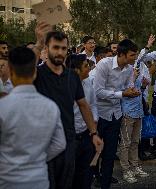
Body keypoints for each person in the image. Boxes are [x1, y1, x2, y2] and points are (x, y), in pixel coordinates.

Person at [32, 22, 102, 189]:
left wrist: (93, 133)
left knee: (67, 183)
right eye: (55, 47)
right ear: (47, 49)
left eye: (64, 48)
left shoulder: (72, 76)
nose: (60, 52)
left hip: (68, 142)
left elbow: (83, 105)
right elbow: (26, 69)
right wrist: (38, 43)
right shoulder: (38, 74)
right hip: (43, 143)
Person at [0, 47, 66, 189]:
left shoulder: (3, 107)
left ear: (11, 72)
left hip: (7, 180)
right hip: (39, 179)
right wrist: (37, 157)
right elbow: (60, 144)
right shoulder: (50, 106)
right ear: (35, 73)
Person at [93, 39, 140, 189]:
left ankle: (105, 183)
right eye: (132, 55)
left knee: (110, 154)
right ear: (121, 54)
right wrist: (122, 94)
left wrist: (132, 90)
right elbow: (98, 92)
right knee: (94, 152)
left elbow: (127, 87)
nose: (135, 58)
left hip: (116, 115)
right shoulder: (104, 65)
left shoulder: (128, 69)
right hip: (99, 115)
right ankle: (94, 178)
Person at [119, 35, 154, 183]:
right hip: (127, 112)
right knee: (125, 143)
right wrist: (133, 78)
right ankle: (126, 170)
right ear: (124, 55)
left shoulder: (136, 67)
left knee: (135, 142)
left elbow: (140, 87)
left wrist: (144, 83)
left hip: (138, 111)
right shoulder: (121, 71)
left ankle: (135, 166)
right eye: (132, 55)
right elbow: (123, 91)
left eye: (135, 55)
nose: (134, 58)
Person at [65, 54, 97, 189]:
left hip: (87, 135)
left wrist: (93, 125)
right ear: (76, 70)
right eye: (85, 66)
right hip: (69, 138)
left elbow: (93, 105)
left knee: (86, 174)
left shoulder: (88, 82)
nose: (89, 68)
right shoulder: (64, 87)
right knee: (68, 176)